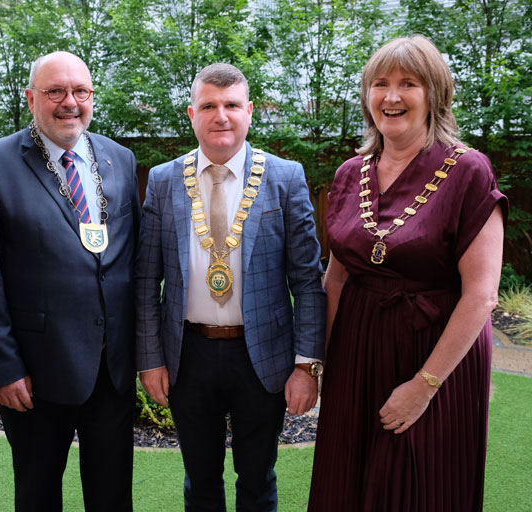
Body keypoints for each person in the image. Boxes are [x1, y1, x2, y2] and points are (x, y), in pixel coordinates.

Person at [307, 35, 507, 511]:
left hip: (434, 354)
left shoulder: (468, 171)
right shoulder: (348, 173)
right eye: (380, 84)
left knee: (420, 485)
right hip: (356, 347)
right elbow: (335, 279)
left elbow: (480, 296)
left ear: (434, 95)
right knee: (346, 481)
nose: (391, 97)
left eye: (408, 84)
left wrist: (423, 387)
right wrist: (321, 366)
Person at [136, 62, 326, 511]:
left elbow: (307, 280)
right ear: (191, 114)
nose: (221, 115)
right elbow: (146, 279)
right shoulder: (164, 182)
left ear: (249, 112)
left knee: (257, 479)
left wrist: (307, 367)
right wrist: (150, 360)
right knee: (199, 481)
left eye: (232, 105)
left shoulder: (285, 177)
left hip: (263, 356)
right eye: (209, 106)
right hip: (188, 354)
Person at [0, 51, 140, 511]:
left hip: (111, 368)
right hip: (36, 373)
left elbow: (131, 263)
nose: (70, 103)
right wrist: (2, 367)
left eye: (81, 91)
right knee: (39, 496)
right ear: (31, 98)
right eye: (55, 91)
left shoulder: (119, 159)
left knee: (113, 495)